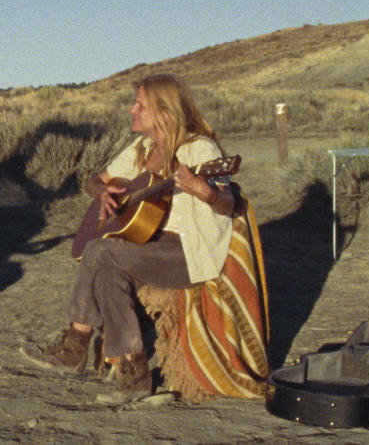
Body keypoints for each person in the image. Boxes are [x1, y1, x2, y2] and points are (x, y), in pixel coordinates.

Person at [21, 74, 236, 403]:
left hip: (188, 253)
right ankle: (134, 374)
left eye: (140, 104)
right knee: (107, 270)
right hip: (146, 245)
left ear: (165, 112)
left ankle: (76, 342)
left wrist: (204, 191)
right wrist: (102, 192)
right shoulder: (143, 147)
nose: (132, 109)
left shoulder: (200, 148)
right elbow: (94, 180)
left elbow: (227, 204)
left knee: (100, 250)